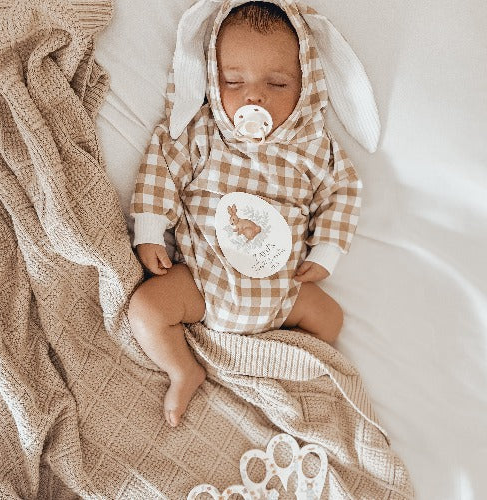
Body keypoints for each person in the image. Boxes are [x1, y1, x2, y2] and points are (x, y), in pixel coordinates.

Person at [128, 1, 362, 428]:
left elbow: (342, 191)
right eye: (234, 81)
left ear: (305, 86)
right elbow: (162, 165)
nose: (254, 96)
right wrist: (149, 227)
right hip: (201, 281)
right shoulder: (201, 132)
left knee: (331, 320)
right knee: (146, 309)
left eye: (277, 83)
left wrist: (325, 251)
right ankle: (184, 368)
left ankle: (262, 364)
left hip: (282, 291)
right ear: (214, 83)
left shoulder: (312, 146)